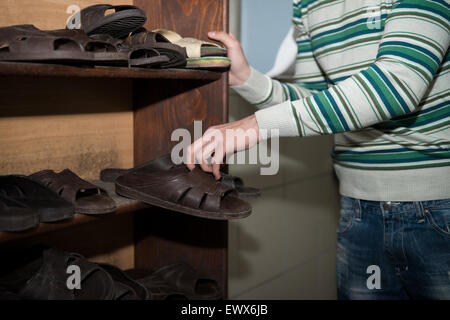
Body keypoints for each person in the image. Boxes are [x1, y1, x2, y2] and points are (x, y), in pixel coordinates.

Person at [185, 0, 449, 300]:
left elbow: (397, 84)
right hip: (358, 208)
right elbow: (315, 98)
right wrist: (247, 80)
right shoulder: (307, 4)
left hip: (439, 209)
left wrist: (255, 126)